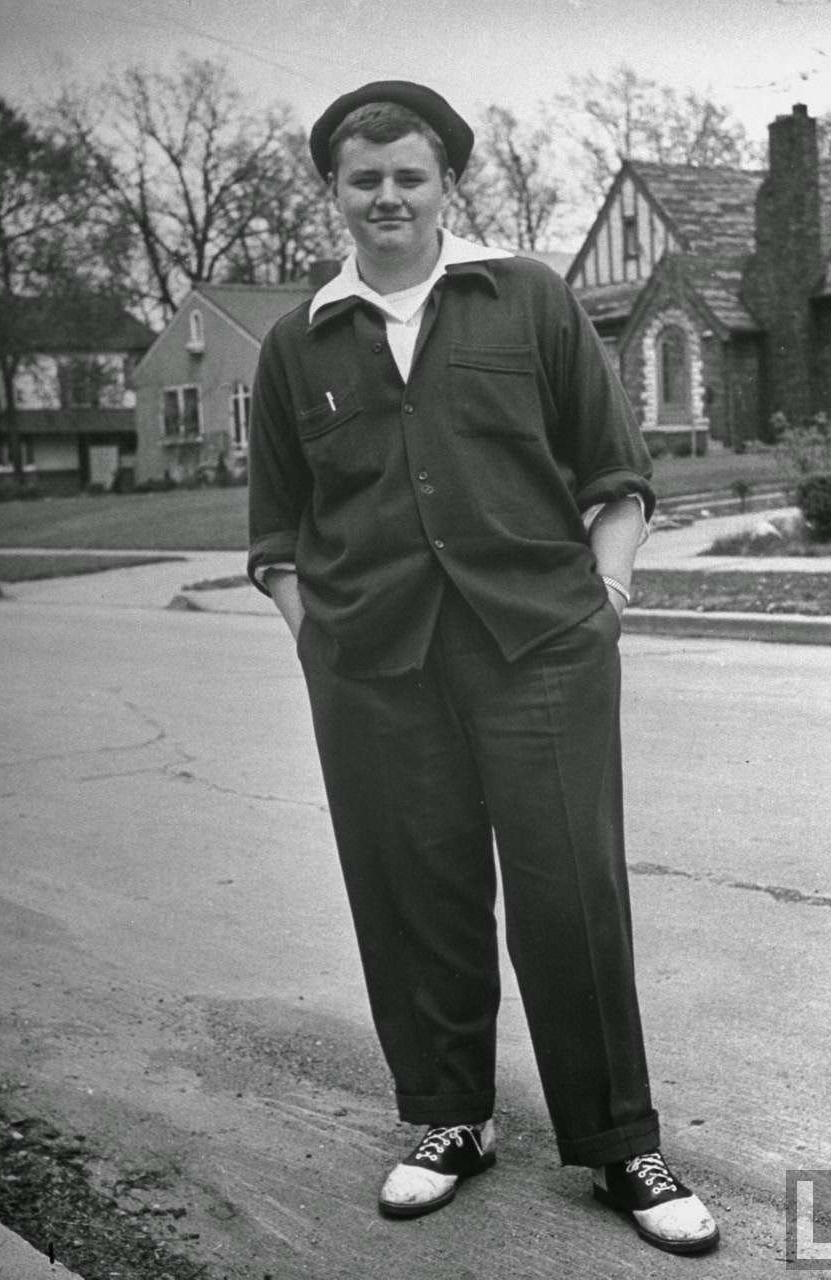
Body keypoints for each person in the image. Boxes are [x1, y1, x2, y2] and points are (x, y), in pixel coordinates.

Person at [247, 79, 719, 1256]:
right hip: (374, 666)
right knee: (414, 894)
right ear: (334, 193)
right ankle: (446, 1118)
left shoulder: (528, 299)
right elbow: (274, 534)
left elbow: (618, 476)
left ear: (447, 180)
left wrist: (602, 597)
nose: (389, 196)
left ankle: (620, 1142)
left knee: (570, 893)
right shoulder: (296, 344)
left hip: (539, 647)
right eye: (365, 179)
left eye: (410, 174)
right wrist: (319, 637)